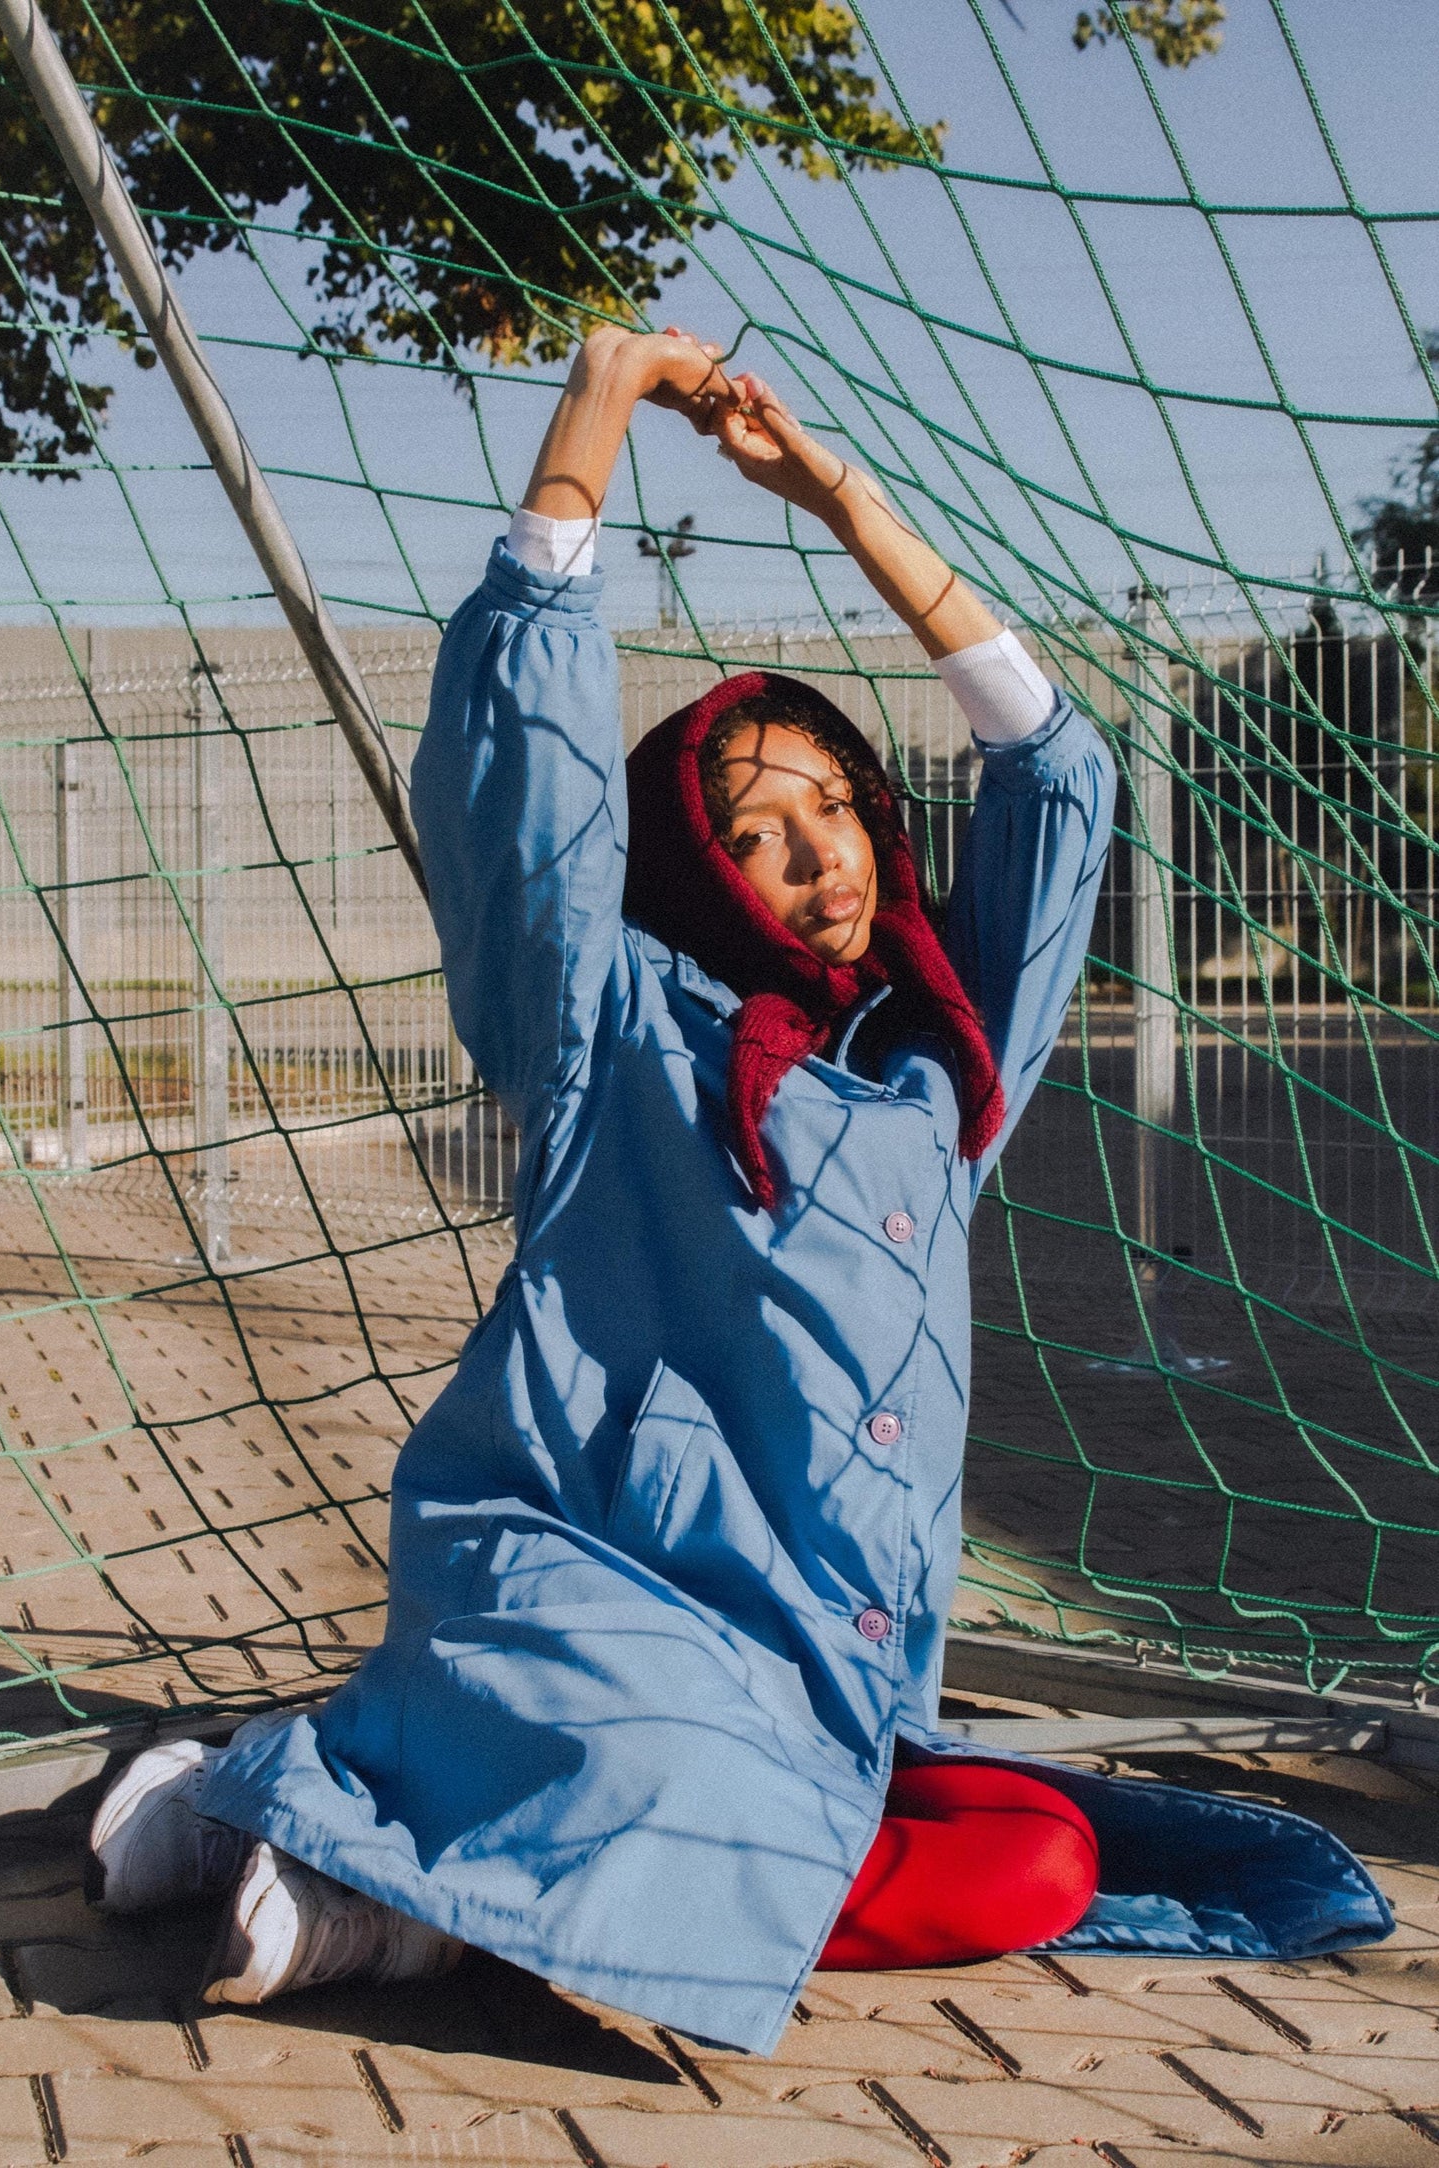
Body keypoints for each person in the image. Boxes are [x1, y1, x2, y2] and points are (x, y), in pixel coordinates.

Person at [87, 328, 1391, 2053]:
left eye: (837, 804)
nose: (819, 852)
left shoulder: (941, 1066)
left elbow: (1059, 779)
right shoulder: (608, 1032)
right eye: (761, 830)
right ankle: (359, 1870)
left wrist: (837, 497)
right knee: (670, 1789)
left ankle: (359, 1816)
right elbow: (524, 799)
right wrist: (602, 399)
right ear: (694, 863)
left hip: (819, 1666)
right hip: (593, 1598)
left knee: (1034, 1854)